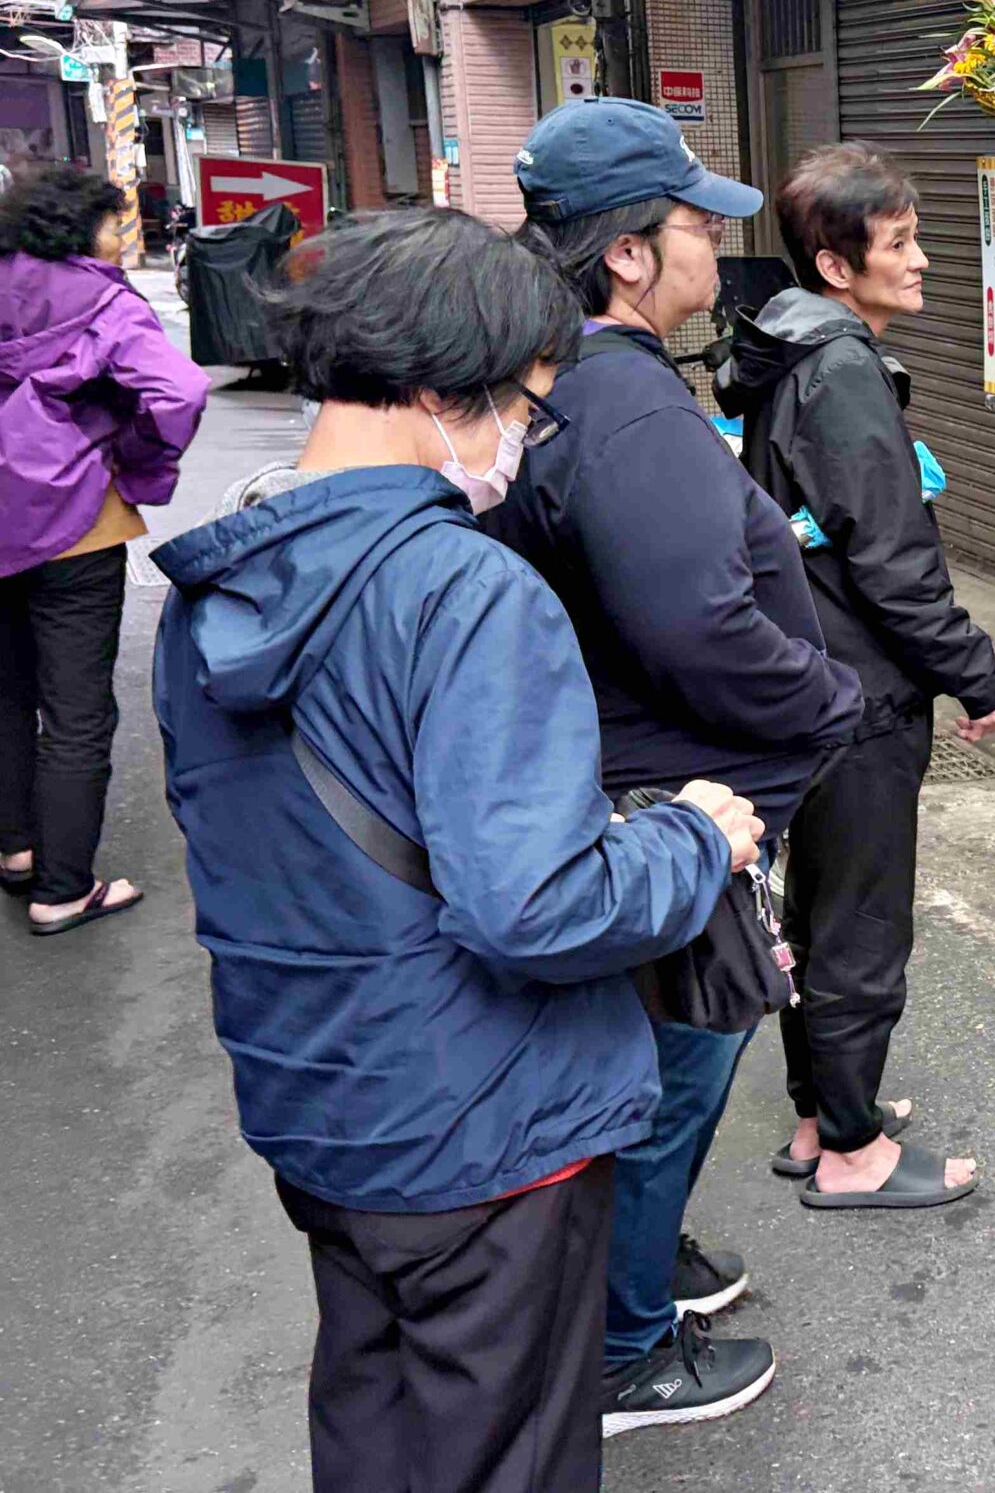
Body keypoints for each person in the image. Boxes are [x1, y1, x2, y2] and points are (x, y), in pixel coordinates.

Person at [151, 210, 756, 1493]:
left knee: (376, 1422)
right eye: (527, 405)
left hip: (316, 1095)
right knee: (506, 1455)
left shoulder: (217, 585)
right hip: (486, 1119)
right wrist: (691, 839)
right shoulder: (463, 590)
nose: (524, 439)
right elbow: (533, 907)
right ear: (442, 387)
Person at [487, 100, 865, 1432]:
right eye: (699, 224)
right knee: (676, 1062)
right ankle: (624, 1345)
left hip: (634, 771)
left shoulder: (572, 381)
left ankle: (635, 1268)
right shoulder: (627, 406)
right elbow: (696, 623)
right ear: (630, 254)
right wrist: (825, 698)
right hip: (675, 790)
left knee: (655, 1056)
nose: (718, 247)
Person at [722, 142, 995, 1209]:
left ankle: (820, 1115)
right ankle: (851, 1151)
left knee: (818, 907)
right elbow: (893, 560)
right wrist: (977, 674)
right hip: (859, 689)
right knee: (860, 920)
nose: (922, 260)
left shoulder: (791, 348)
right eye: (899, 244)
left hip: (810, 674)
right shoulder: (841, 370)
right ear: (836, 267)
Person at [0, 163, 207, 931]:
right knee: (77, 710)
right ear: (78, 228)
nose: (122, 236)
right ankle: (62, 888)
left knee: (8, 693)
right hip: (76, 520)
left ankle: (17, 849)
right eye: (115, 223)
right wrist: (135, 451)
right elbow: (179, 392)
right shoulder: (104, 302)